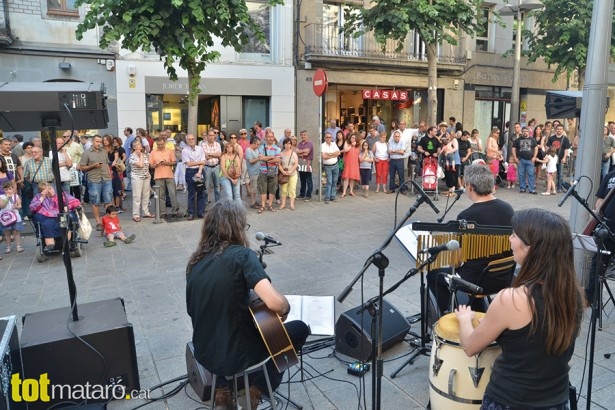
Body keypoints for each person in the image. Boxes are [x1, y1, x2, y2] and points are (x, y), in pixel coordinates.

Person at [186, 200, 310, 410]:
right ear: (236, 228)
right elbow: (273, 302)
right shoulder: (242, 256)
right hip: (238, 354)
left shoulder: (195, 262)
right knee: (299, 329)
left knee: (221, 330)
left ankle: (222, 391)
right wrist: (285, 306)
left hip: (204, 351)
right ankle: (257, 389)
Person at [456, 208, 583, 410]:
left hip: (510, 401)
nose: (509, 239)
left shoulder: (512, 299)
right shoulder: (573, 294)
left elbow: (471, 347)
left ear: (531, 248)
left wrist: (464, 318)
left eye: (514, 235)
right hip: (557, 400)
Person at [427, 164, 515, 313]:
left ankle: (449, 318)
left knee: (434, 275)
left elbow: (456, 261)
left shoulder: (467, 216)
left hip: (477, 281)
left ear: (470, 187)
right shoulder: (507, 208)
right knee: (477, 263)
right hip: (504, 276)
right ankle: (477, 309)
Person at [29, 181, 80, 252]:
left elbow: (75, 201)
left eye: (50, 188)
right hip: (46, 217)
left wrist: (67, 206)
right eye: (45, 190)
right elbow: (33, 208)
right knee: (47, 224)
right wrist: (42, 197)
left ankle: (66, 243)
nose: (49, 191)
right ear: (41, 191)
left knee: (64, 222)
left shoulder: (60, 195)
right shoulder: (38, 197)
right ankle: (51, 245)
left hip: (60, 216)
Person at [79, 135, 112, 230]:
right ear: (92, 141)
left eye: (100, 142)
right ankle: (98, 222)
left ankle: (109, 220)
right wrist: (93, 166)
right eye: (97, 141)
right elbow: (82, 167)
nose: (99, 143)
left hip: (106, 178)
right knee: (95, 201)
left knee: (108, 200)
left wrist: (110, 176)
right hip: (94, 179)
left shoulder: (104, 152)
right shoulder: (86, 153)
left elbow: (106, 165)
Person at [150, 135, 179, 218]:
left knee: (172, 193)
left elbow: (174, 162)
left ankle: (175, 211)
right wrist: (155, 165)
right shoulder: (153, 152)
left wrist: (167, 163)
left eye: (162, 144)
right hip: (158, 175)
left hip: (169, 174)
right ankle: (163, 212)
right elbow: (151, 165)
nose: (160, 146)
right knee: (160, 195)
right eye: (158, 144)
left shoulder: (169, 151)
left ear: (164, 143)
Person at [182, 134, 207, 220]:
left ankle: (201, 212)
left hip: (199, 170)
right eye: (189, 139)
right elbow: (188, 163)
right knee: (191, 193)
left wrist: (199, 172)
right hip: (190, 172)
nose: (191, 140)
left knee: (201, 192)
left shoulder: (200, 149)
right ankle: (191, 213)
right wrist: (199, 162)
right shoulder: (184, 150)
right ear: (187, 141)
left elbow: (203, 162)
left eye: (193, 139)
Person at [128, 140, 153, 221]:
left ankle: (146, 212)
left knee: (146, 195)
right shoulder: (132, 157)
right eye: (138, 144)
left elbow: (147, 165)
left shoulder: (145, 155)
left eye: (140, 144)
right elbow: (140, 165)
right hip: (137, 178)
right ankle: (136, 214)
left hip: (146, 177)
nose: (140, 145)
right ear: (134, 147)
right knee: (137, 196)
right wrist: (141, 155)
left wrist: (148, 175)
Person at [257, 131, 281, 213]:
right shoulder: (261, 147)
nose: (270, 138)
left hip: (274, 172)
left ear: (274, 138)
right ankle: (263, 206)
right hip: (263, 171)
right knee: (263, 189)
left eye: (272, 137)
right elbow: (260, 158)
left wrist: (266, 158)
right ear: (266, 138)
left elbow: (278, 160)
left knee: (272, 189)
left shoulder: (277, 148)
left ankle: (270, 205)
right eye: (269, 137)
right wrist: (271, 157)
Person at [511, 126, 538, 195]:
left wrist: (534, 157)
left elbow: (536, 148)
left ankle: (531, 189)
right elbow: (513, 148)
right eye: (523, 131)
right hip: (521, 160)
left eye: (526, 131)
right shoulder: (518, 140)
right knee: (521, 175)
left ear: (528, 132)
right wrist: (515, 158)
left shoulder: (532, 140)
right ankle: (522, 188)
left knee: (531, 175)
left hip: (530, 160)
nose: (524, 133)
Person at [0, 181, 23, 253]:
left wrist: (16, 206)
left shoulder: (16, 196)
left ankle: (18, 246)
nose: (8, 191)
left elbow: (20, 206)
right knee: (6, 233)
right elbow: (2, 206)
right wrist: (7, 198)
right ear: (3, 190)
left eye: (10, 189)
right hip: (6, 218)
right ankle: (8, 247)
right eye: (6, 189)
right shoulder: (1, 197)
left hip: (15, 216)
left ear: (13, 189)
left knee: (16, 232)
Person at [201, 130, 222, 203]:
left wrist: (209, 154)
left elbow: (219, 155)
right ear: (207, 136)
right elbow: (204, 156)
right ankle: (205, 203)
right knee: (206, 187)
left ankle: (218, 202)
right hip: (207, 167)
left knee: (217, 186)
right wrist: (214, 155)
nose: (211, 137)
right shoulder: (203, 144)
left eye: (212, 135)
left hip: (216, 167)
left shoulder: (217, 144)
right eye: (209, 135)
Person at [278, 139, 298, 210]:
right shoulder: (281, 153)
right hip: (284, 174)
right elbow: (279, 164)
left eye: (289, 143)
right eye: (286, 143)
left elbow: (296, 164)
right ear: (284, 144)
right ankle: (283, 204)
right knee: (284, 189)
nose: (287, 145)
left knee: (292, 189)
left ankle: (292, 204)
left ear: (291, 145)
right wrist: (283, 171)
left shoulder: (294, 153)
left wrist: (291, 171)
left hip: (293, 174)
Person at [321, 132, 341, 204]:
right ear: (324, 138)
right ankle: (327, 197)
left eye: (330, 137)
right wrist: (333, 154)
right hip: (327, 166)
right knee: (329, 182)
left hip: (335, 165)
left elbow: (338, 153)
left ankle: (333, 196)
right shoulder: (322, 145)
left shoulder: (334, 144)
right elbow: (324, 157)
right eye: (327, 137)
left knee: (335, 181)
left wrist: (329, 154)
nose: (328, 138)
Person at [295, 130, 314, 202]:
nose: (303, 136)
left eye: (304, 135)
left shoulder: (310, 143)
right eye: (302, 135)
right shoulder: (299, 144)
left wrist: (299, 152)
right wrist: (302, 152)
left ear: (307, 135)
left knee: (308, 179)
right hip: (300, 163)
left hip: (307, 163)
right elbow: (296, 152)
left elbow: (307, 153)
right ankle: (302, 194)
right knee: (302, 179)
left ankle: (308, 195)